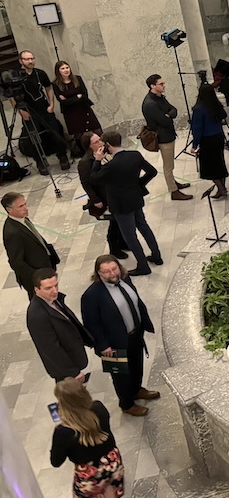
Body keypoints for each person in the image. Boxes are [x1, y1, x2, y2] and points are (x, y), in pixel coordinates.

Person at [49, 377, 131, 498]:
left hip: (89, 472)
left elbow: (56, 462)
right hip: (111, 461)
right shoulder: (99, 408)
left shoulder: (64, 431)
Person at [81, 254, 159, 417]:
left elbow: (135, 302)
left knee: (137, 365)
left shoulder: (125, 278)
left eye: (114, 269)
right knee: (120, 375)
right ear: (99, 273)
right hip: (113, 345)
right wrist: (102, 346)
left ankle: (137, 390)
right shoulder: (91, 295)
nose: (112, 274)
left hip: (134, 335)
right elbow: (91, 324)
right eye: (106, 271)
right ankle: (127, 404)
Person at [91, 131, 163, 275]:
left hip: (120, 205)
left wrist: (98, 160)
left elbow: (94, 178)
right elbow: (152, 172)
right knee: (144, 226)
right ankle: (156, 256)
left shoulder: (112, 165)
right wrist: (138, 184)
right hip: (135, 198)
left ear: (108, 145)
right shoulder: (135, 155)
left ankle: (143, 266)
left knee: (130, 236)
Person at [10, 49, 71, 174]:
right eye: (27, 59)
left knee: (55, 129)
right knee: (34, 135)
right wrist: (21, 111)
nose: (31, 61)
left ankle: (62, 156)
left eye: (32, 58)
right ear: (21, 61)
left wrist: (52, 104)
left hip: (44, 108)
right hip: (27, 110)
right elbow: (11, 96)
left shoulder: (40, 73)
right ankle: (40, 160)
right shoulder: (15, 76)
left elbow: (48, 88)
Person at [27, 269, 92, 381]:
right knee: (73, 397)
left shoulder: (52, 299)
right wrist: (73, 372)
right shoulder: (37, 316)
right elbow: (51, 350)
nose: (55, 291)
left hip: (73, 356)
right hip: (64, 371)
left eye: (56, 285)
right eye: (48, 288)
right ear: (36, 289)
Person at [141, 74, 192, 201]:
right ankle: (174, 191)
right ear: (153, 86)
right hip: (163, 137)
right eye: (161, 84)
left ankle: (174, 183)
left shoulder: (159, 98)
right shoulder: (150, 104)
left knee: (170, 164)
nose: (164, 86)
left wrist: (169, 115)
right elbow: (166, 121)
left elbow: (173, 110)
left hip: (168, 134)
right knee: (168, 166)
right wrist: (168, 117)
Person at [78, 133, 128, 257]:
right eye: (96, 142)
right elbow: (86, 183)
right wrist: (95, 199)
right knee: (114, 222)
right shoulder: (85, 162)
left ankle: (122, 242)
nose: (101, 143)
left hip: (115, 192)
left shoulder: (106, 152)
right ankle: (114, 248)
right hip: (104, 195)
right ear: (89, 146)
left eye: (100, 140)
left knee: (120, 220)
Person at [3, 190, 61, 296]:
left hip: (46, 268)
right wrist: (38, 277)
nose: (25, 208)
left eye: (25, 204)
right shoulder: (12, 233)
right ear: (9, 210)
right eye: (20, 206)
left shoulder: (23, 219)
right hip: (38, 279)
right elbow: (16, 262)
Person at [189, 84, 229, 201]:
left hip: (207, 140)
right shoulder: (215, 105)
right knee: (219, 162)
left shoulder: (198, 109)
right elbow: (224, 115)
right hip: (218, 137)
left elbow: (197, 129)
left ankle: (221, 189)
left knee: (209, 166)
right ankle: (222, 187)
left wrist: (194, 145)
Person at [52, 60, 100, 142]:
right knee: (79, 134)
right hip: (70, 112)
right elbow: (62, 102)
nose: (66, 70)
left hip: (84, 108)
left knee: (97, 130)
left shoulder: (77, 79)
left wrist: (69, 99)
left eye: (67, 67)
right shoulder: (55, 84)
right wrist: (77, 97)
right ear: (58, 71)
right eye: (63, 68)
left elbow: (84, 95)